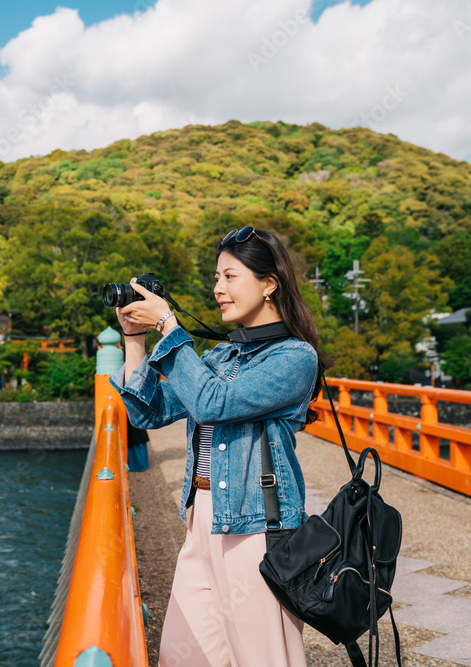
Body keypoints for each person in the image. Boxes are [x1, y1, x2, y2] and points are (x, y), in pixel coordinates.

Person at [109, 226, 325, 667]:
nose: (218, 289)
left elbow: (213, 403)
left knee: (263, 658)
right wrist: (135, 338)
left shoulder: (294, 358)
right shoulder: (221, 357)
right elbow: (149, 412)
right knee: (183, 656)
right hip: (201, 518)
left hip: (255, 529)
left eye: (230, 277)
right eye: (215, 278)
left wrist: (169, 325)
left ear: (269, 284)